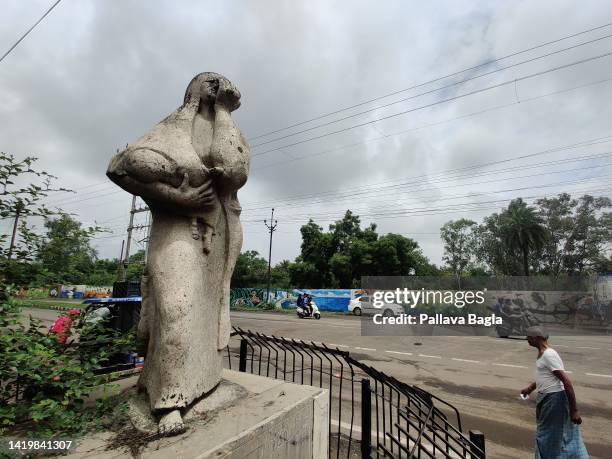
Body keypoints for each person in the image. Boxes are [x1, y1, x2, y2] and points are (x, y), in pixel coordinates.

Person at [521, 326, 588, 458]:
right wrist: (530, 388)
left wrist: (574, 410)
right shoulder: (542, 353)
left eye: (529, 337)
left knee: (554, 435)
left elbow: (566, 382)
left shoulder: (549, 354)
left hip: (555, 400)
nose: (527, 340)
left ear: (537, 338)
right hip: (547, 399)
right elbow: (545, 375)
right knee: (548, 433)